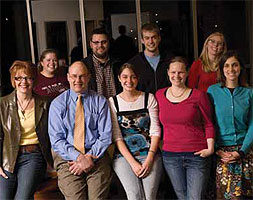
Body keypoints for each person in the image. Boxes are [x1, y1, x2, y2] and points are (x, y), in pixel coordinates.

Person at [48, 61, 112, 199]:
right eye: (74, 76)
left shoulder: (100, 102)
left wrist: (89, 157)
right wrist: (78, 158)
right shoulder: (57, 104)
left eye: (82, 76)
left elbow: (105, 136)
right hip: (67, 159)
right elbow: (57, 140)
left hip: (96, 157)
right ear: (68, 77)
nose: (78, 80)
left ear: (88, 77)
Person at [156, 56, 215, 199]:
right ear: (168, 73)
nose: (177, 76)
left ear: (187, 73)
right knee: (182, 197)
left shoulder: (199, 96)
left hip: (197, 155)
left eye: (181, 72)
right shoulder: (159, 95)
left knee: (195, 197)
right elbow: (155, 124)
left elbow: (208, 123)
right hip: (170, 156)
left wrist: (210, 148)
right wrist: (160, 144)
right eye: (173, 72)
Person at [0, 60, 53, 199]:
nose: (23, 82)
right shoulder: (2, 104)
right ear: (13, 80)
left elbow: (52, 135)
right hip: (8, 158)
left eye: (28, 77)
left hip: (33, 157)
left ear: (34, 80)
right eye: (18, 78)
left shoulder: (45, 103)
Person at [109, 63, 163, 199]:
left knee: (149, 196)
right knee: (134, 196)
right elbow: (117, 136)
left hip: (150, 153)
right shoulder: (113, 102)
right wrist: (133, 163)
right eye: (125, 77)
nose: (129, 81)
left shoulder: (148, 98)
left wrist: (150, 158)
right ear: (119, 79)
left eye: (133, 77)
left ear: (137, 79)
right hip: (124, 156)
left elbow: (155, 130)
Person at [207, 51, 253, 199]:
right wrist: (217, 149)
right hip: (222, 155)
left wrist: (242, 151)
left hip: (245, 153)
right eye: (226, 65)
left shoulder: (249, 93)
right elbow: (209, 122)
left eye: (234, 65)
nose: (231, 69)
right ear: (221, 69)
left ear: (240, 68)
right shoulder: (212, 91)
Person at [128, 23, 170, 94]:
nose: (151, 41)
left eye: (154, 37)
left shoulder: (169, 60)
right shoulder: (133, 63)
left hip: (166, 103)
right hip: (144, 104)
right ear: (142, 40)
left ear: (159, 38)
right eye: (147, 38)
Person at [82, 28, 122, 99]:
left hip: (116, 108)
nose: (100, 45)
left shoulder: (118, 64)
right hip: (94, 109)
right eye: (96, 42)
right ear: (91, 44)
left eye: (104, 42)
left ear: (108, 43)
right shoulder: (83, 66)